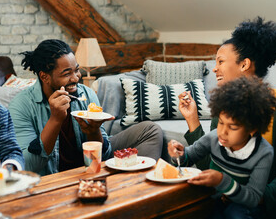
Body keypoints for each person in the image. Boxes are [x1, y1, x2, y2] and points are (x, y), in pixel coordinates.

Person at [179, 17, 276, 218]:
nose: (214, 68)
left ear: (244, 64)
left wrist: (259, 197)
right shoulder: (224, 107)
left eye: (220, 61)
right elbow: (211, 165)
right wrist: (192, 119)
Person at [8, 39, 163, 176]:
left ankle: (138, 188)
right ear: (44, 77)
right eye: (67, 73)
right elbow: (28, 167)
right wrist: (55, 119)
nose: (76, 78)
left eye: (76, 69)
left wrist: (93, 131)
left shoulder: (86, 94)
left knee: (151, 130)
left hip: (88, 168)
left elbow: (104, 153)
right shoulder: (21, 105)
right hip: (54, 176)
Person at [169, 76, 276, 218]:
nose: (223, 132)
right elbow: (188, 158)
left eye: (232, 127)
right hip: (214, 197)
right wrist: (178, 154)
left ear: (252, 129)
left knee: (235, 213)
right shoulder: (214, 137)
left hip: (243, 207)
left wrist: (222, 181)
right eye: (221, 123)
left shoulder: (263, 153)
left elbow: (253, 198)